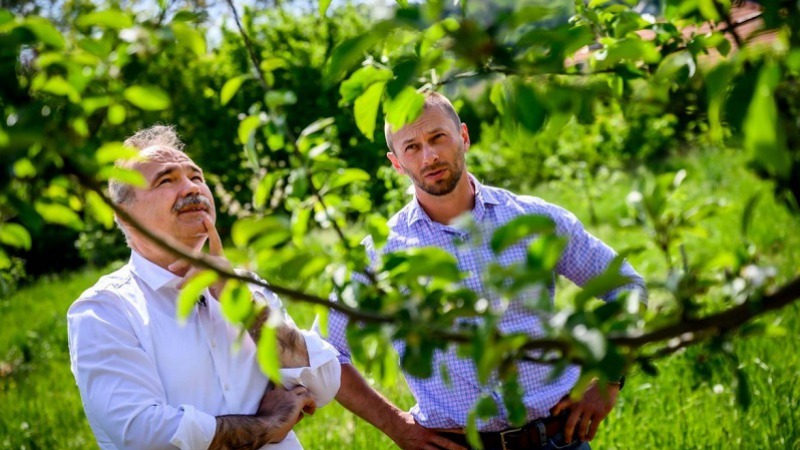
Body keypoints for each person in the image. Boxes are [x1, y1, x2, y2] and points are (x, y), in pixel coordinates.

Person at [327, 92, 646, 450]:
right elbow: (329, 352)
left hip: (556, 440)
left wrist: (609, 377)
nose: (429, 156)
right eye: (412, 147)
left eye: (437, 138)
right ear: (396, 163)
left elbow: (627, 286)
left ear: (463, 136)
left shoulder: (534, 220)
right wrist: (396, 425)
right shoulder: (380, 254)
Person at [67, 125, 341, 450]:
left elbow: (323, 384)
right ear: (125, 215)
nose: (191, 188)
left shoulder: (244, 286)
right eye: (166, 180)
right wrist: (265, 427)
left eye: (196, 177)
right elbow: (142, 434)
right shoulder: (103, 311)